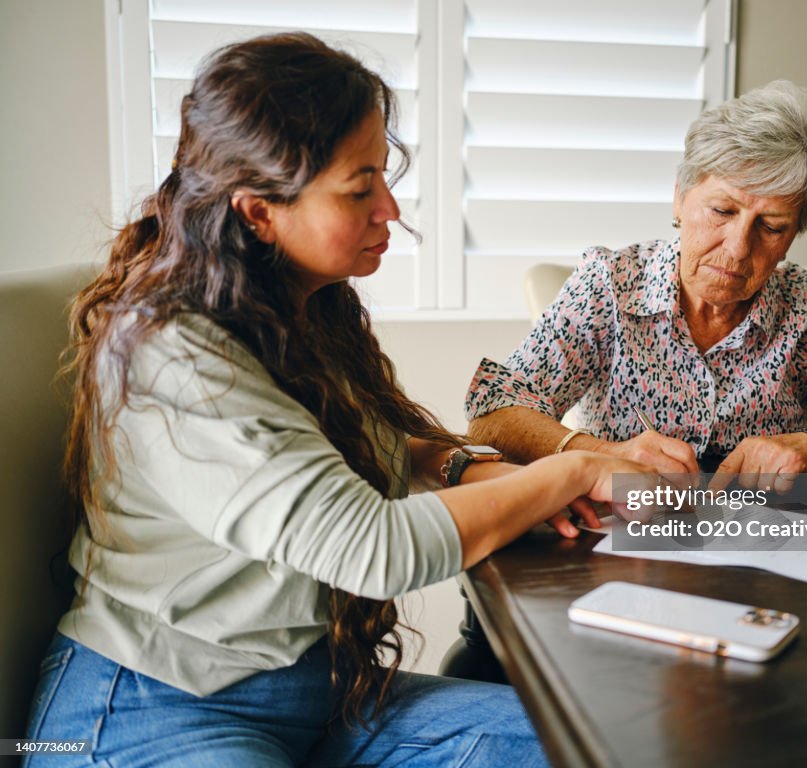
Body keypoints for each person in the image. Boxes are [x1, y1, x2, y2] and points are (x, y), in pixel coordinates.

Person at [23, 33, 650, 768]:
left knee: (605, 744)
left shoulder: (295, 305)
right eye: (360, 189)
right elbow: (371, 549)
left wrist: (474, 472)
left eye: (384, 176)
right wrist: (571, 471)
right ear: (258, 211)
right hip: (150, 711)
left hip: (319, 699)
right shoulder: (171, 353)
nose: (390, 208)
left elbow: (379, 440)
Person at [465, 80, 807, 494]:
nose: (736, 248)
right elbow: (493, 413)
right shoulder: (610, 287)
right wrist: (604, 453)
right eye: (722, 210)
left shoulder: (805, 311)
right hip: (617, 547)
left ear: (794, 235)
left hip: (760, 562)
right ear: (680, 198)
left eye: (771, 226)